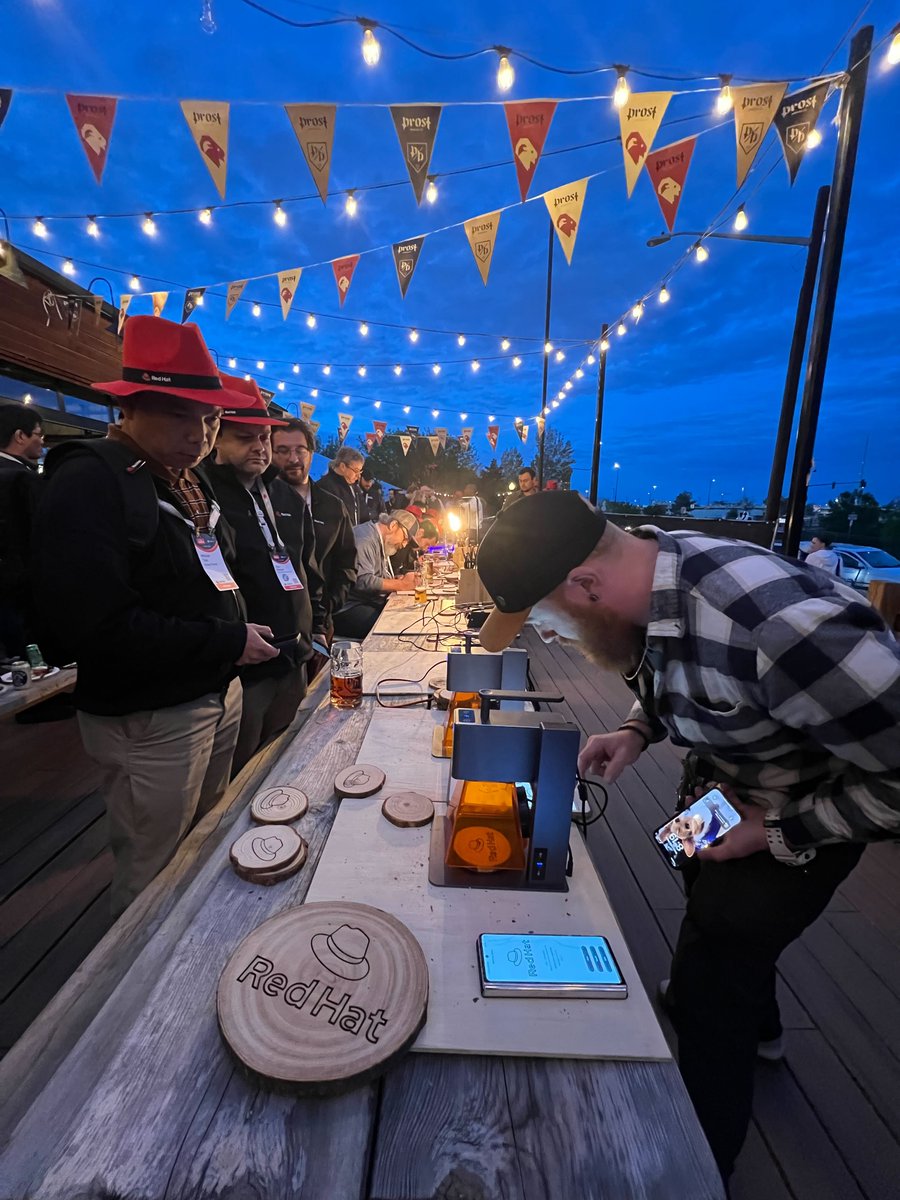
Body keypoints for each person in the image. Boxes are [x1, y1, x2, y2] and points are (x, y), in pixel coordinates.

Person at [475, 491, 900, 1183]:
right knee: (682, 861)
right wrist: (639, 729)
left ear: (585, 584)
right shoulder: (652, 573)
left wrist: (776, 831)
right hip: (718, 787)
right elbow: (679, 663)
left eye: (549, 617)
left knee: (711, 977)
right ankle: (759, 1023)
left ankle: (700, 1165)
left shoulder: (784, 627)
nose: (552, 634)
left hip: (807, 813)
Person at [31, 316, 278, 916]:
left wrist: (231, 643)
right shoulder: (91, 478)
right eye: (179, 415)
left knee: (201, 844)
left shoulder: (181, 481)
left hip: (214, 692)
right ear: (130, 409)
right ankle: (135, 1002)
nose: (198, 433)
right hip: (150, 715)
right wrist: (225, 640)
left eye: (210, 419)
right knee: (152, 870)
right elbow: (96, 628)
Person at [203, 377, 327, 775]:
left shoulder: (281, 493)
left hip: (294, 650)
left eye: (263, 438)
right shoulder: (206, 495)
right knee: (239, 768)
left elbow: (306, 566)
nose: (259, 447)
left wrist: (317, 625)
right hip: (246, 664)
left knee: (281, 754)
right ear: (217, 439)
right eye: (245, 438)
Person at [271, 419, 356, 642]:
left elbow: (347, 562)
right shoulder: (261, 503)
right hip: (275, 629)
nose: (293, 458)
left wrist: (331, 603)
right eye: (282, 450)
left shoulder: (333, 506)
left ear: (311, 452)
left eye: (300, 450)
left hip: (322, 623)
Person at [333, 510, 419, 639]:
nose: (404, 544)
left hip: (363, 602)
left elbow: (377, 576)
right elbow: (362, 581)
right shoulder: (364, 539)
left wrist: (396, 580)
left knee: (405, 617)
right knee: (392, 625)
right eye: (405, 538)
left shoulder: (379, 539)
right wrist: (401, 584)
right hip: (345, 608)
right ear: (393, 525)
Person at [0, 404, 43, 657]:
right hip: (21, 594)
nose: (41, 441)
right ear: (20, 436)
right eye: (38, 434)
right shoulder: (20, 479)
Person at [317, 445, 364, 526]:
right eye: (356, 471)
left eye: (360, 472)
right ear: (342, 466)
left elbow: (363, 514)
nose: (358, 476)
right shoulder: (324, 487)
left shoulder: (355, 488)